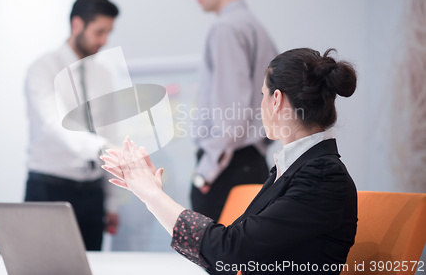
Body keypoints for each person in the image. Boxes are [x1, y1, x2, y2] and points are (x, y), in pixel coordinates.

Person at [101, 48, 358, 274]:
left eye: (262, 95)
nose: (260, 105)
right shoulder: (298, 167)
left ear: (276, 100)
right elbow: (226, 257)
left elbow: (229, 251)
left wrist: (152, 197)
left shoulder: (321, 175)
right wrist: (153, 196)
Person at [184, 0, 278, 221]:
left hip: (227, 169)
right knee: (244, 261)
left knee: (219, 260)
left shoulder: (226, 28)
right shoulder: (257, 28)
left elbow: (231, 114)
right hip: (251, 161)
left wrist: (205, 174)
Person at [24, 0, 120, 251]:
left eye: (108, 33)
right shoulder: (42, 69)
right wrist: (105, 149)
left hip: (92, 193)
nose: (104, 41)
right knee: (41, 267)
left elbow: (111, 132)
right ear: (77, 24)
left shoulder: (103, 74)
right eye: (99, 31)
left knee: (90, 266)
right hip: (49, 190)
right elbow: (56, 125)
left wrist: (111, 202)